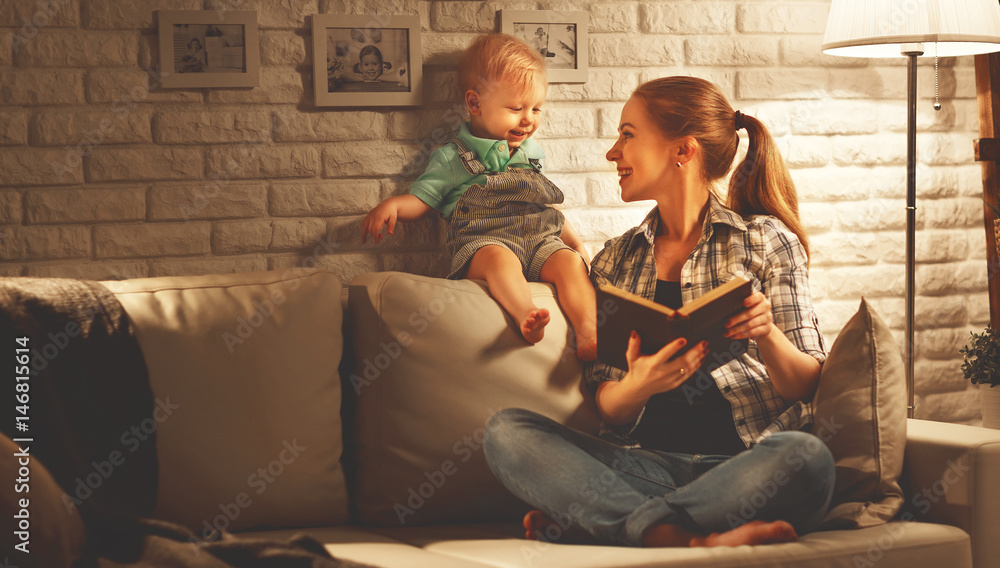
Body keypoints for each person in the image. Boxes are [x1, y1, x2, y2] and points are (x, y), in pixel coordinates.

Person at [483, 76, 835, 548]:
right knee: (507, 433)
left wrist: (767, 333)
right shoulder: (615, 260)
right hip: (644, 467)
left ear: (682, 152)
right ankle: (685, 535)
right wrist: (638, 384)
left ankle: (623, 524)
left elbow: (806, 383)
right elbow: (607, 404)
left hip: (745, 467)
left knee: (806, 457)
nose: (613, 152)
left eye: (628, 134)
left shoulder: (767, 241)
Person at [360, 33, 597, 360]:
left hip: (540, 238)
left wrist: (572, 240)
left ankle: (589, 333)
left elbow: (543, 205)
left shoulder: (529, 154)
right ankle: (526, 314)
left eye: (536, 108)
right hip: (484, 241)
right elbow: (424, 199)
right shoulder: (453, 156)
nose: (528, 119)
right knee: (499, 260)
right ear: (474, 103)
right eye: (516, 108)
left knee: (570, 263)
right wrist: (394, 205)